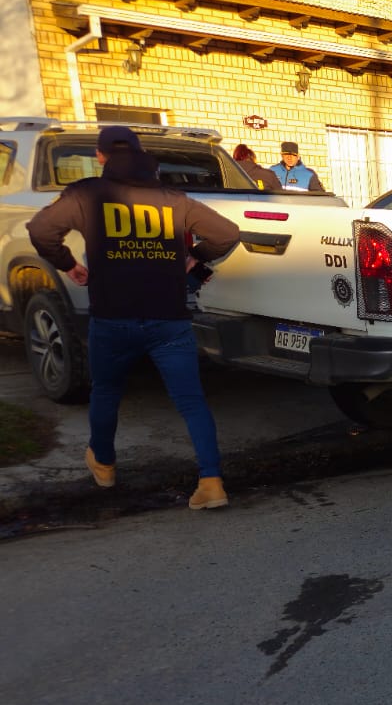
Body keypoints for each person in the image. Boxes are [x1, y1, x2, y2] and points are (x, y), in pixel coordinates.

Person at [26, 126, 241, 510]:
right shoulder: (173, 199)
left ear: (101, 156)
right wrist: (196, 257)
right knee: (191, 401)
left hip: (112, 318)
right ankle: (211, 483)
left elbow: (41, 230)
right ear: (143, 157)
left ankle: (104, 464)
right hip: (169, 320)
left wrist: (67, 264)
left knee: (106, 392)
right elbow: (227, 234)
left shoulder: (88, 194)